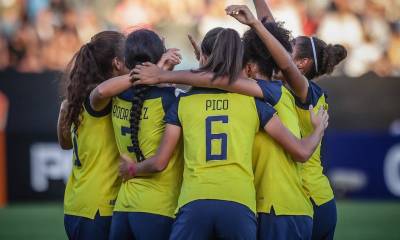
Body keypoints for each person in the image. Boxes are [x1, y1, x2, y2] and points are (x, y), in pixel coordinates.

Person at [122, 26, 329, 240]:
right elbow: (301, 151)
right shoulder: (256, 103)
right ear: (242, 63)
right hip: (242, 203)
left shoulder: (183, 102)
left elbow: (160, 161)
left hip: (194, 201)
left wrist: (166, 74)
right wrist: (318, 130)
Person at [253, 1, 347, 239]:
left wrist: (255, 24)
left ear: (302, 63)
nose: (281, 49)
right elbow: (273, 30)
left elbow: (281, 58)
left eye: (290, 47)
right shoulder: (286, 88)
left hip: (311, 198)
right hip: (302, 199)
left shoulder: (308, 92)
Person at [91, 29, 183, 240]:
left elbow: (101, 91)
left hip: (124, 207)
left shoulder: (115, 97)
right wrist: (162, 71)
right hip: (159, 207)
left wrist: (159, 71)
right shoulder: (174, 99)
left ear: (126, 60)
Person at [57, 31, 127, 240]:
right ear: (116, 62)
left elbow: (65, 144)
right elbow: (103, 92)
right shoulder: (98, 97)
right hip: (99, 207)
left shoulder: (76, 98)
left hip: (76, 204)